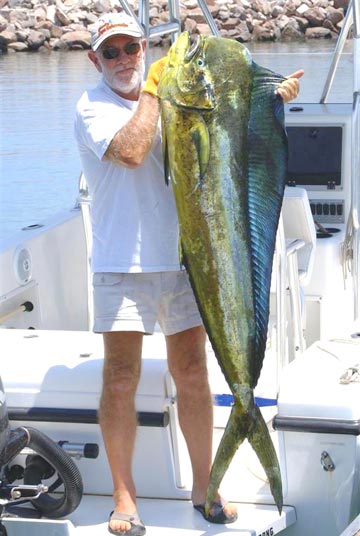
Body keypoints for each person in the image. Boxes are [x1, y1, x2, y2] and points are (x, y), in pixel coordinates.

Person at [74, 12, 303, 536]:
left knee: (194, 374)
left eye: (131, 48)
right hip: (121, 264)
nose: (125, 60)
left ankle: (205, 484)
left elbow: (226, 137)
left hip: (184, 261)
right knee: (121, 379)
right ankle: (124, 496)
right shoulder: (92, 107)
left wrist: (269, 101)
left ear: (143, 48)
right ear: (94, 60)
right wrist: (158, 88)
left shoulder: (172, 95)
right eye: (111, 52)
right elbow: (132, 150)